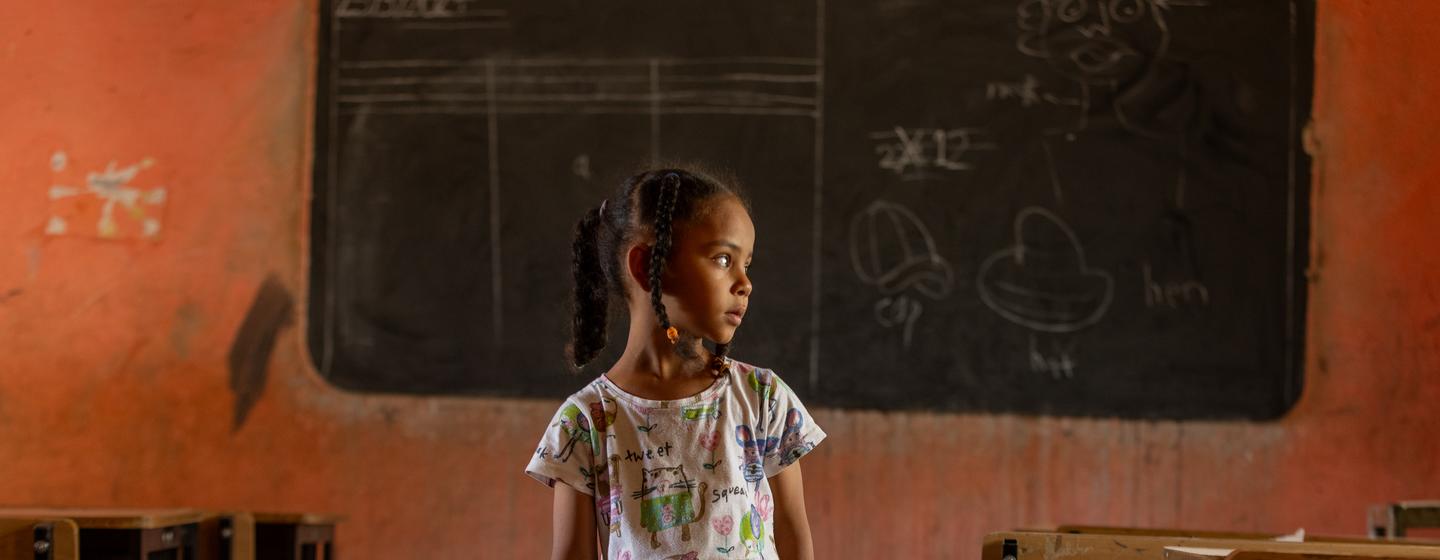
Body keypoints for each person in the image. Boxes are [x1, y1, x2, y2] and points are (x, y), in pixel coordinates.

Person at [526, 168, 826, 560]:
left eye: (746, 264)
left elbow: (793, 539)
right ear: (647, 266)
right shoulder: (585, 424)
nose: (745, 283)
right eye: (723, 259)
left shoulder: (762, 399)